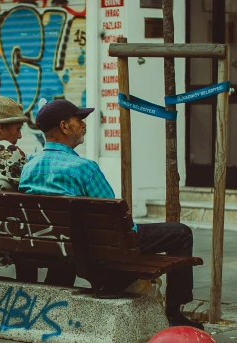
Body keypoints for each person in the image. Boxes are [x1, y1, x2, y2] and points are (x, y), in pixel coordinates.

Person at [18, 99, 202, 329]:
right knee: (181, 233)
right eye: (80, 120)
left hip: (54, 248)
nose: (84, 125)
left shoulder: (29, 167)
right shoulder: (84, 168)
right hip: (94, 251)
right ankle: (175, 311)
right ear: (65, 126)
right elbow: (120, 228)